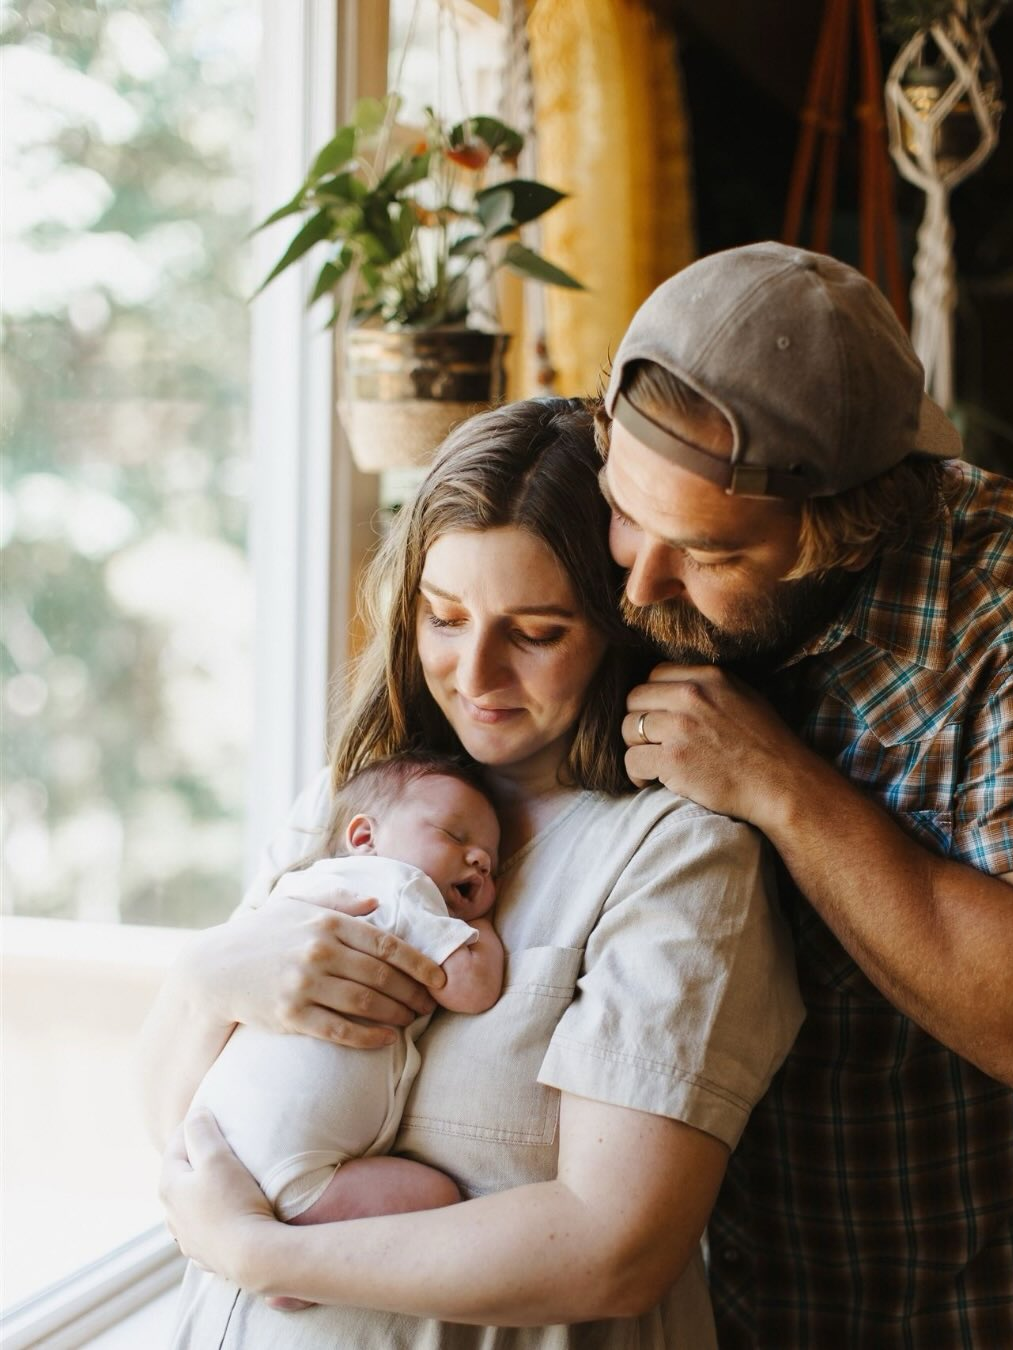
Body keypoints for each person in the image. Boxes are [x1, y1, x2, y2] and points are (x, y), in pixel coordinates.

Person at [144, 396, 805, 1348]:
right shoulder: (357, 799)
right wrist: (205, 978)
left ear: (622, 627)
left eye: (536, 633)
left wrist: (261, 1254)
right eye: (445, 618)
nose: (476, 674)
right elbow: (191, 1137)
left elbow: (618, 1247)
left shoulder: (678, 854)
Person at [595, 240, 1013, 1349]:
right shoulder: (617, 539)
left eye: (707, 553)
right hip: (698, 1303)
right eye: (625, 511)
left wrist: (778, 785)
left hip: (969, 1305)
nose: (639, 584)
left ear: (837, 536)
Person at [188, 752, 504, 1253]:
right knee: (439, 1198)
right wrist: (481, 928)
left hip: (225, 1143)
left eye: (491, 859)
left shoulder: (293, 891)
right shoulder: (398, 885)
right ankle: (285, 1266)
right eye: (454, 835)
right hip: (298, 1171)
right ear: (364, 838)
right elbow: (472, 988)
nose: (480, 860)